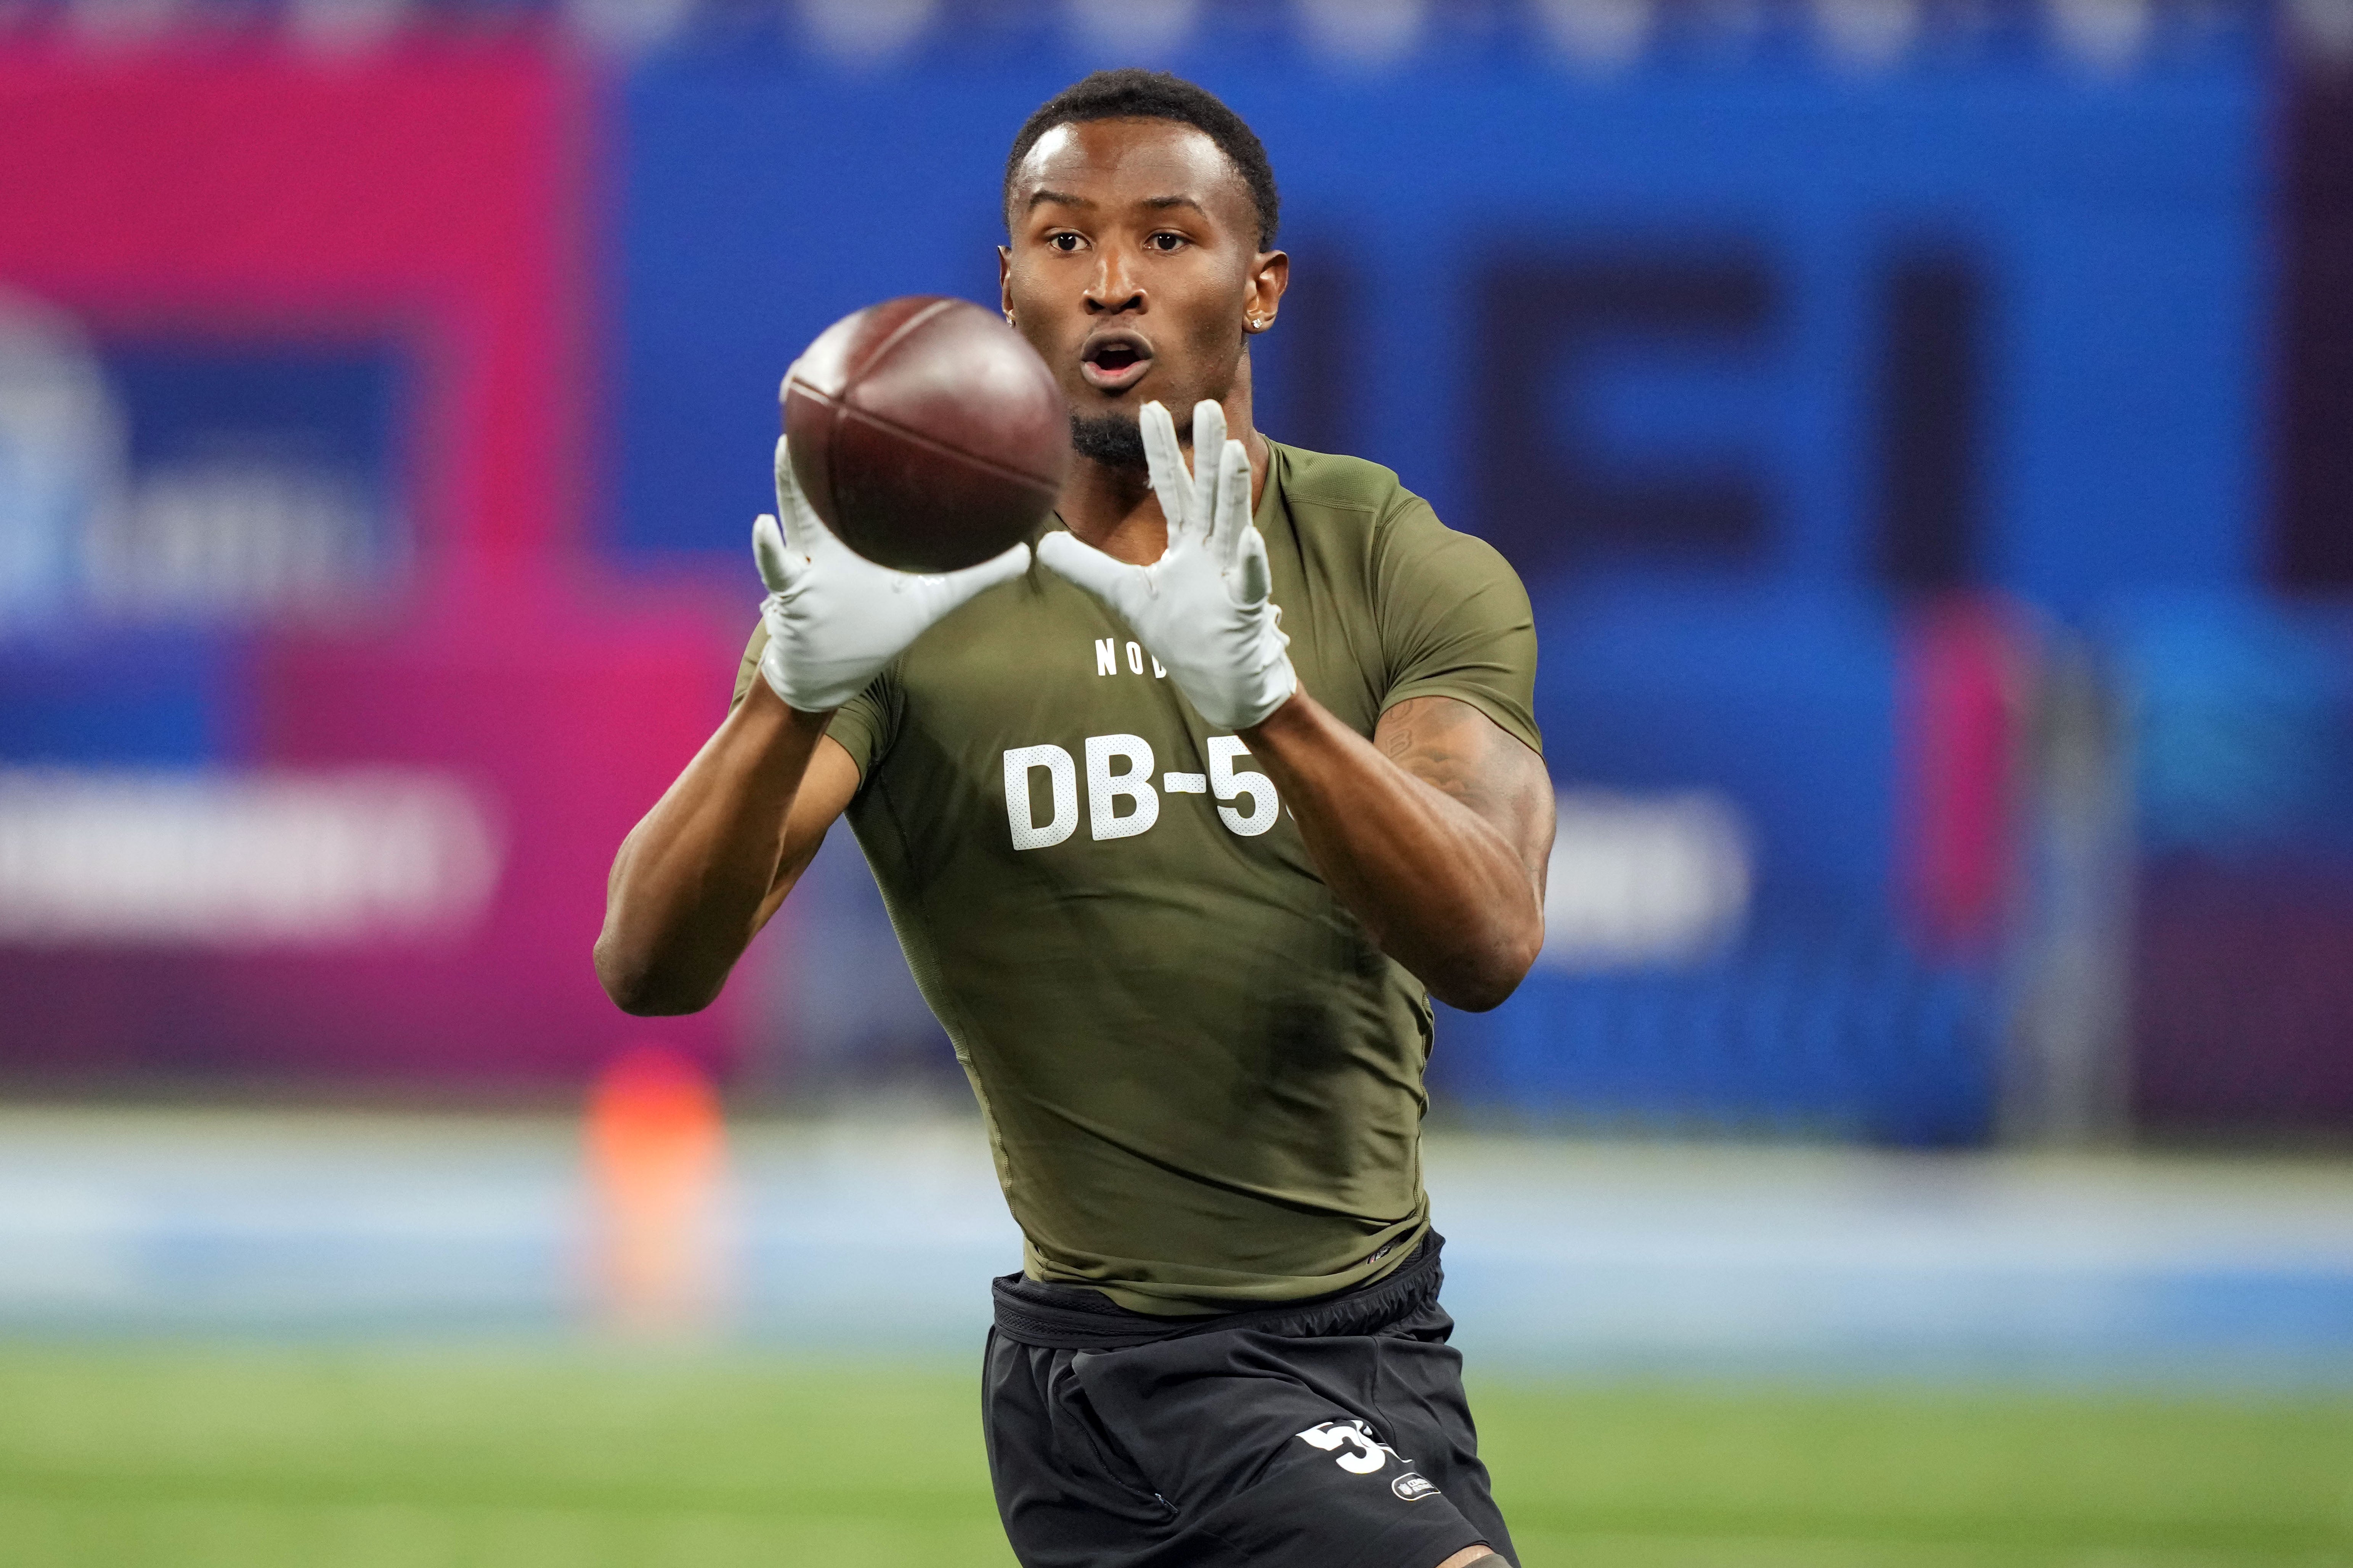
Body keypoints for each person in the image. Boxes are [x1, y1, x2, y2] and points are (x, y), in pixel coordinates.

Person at [596, 68, 1554, 1568]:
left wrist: (1266, 704)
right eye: (1061, 239)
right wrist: (785, 693)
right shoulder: (902, 592)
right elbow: (649, 961)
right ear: (1006, 288)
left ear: (1262, 288)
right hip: (1133, 1371)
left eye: (1169, 239)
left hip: (1388, 1343)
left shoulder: (1393, 564)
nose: (1111, 279)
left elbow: (1487, 937)